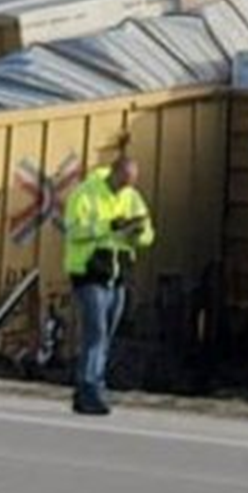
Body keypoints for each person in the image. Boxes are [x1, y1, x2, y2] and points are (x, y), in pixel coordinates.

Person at [62, 156, 155, 416]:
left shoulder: (131, 197)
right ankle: (89, 388)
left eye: (130, 184)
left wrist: (137, 233)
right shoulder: (85, 193)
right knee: (96, 333)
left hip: (117, 275)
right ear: (113, 173)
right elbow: (73, 231)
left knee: (107, 335)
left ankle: (91, 387)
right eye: (122, 182)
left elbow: (148, 232)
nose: (125, 188)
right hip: (90, 272)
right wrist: (108, 226)